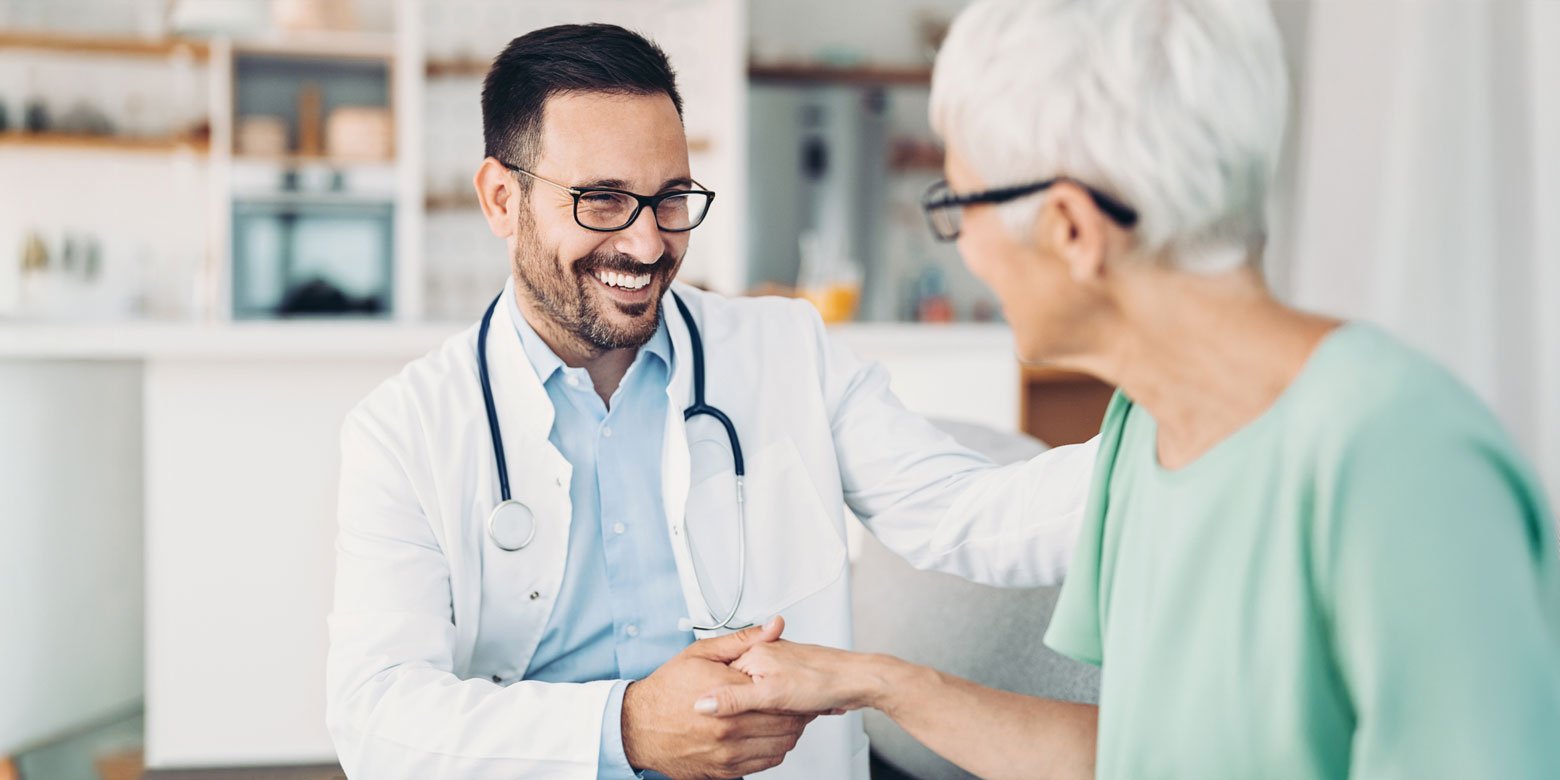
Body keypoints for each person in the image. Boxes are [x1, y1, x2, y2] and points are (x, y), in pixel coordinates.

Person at [696, 1, 1560, 778]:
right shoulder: (1145, 433)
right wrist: (875, 682)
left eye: (959, 206)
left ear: (1071, 229)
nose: (963, 248)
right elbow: (1127, 754)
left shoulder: (1398, 459)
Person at [324, 23, 1098, 780]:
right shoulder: (405, 430)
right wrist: (625, 730)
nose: (648, 243)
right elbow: (378, 718)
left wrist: (1187, 425)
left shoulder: (787, 351)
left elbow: (973, 513)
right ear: (501, 199)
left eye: (670, 198)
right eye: (601, 200)